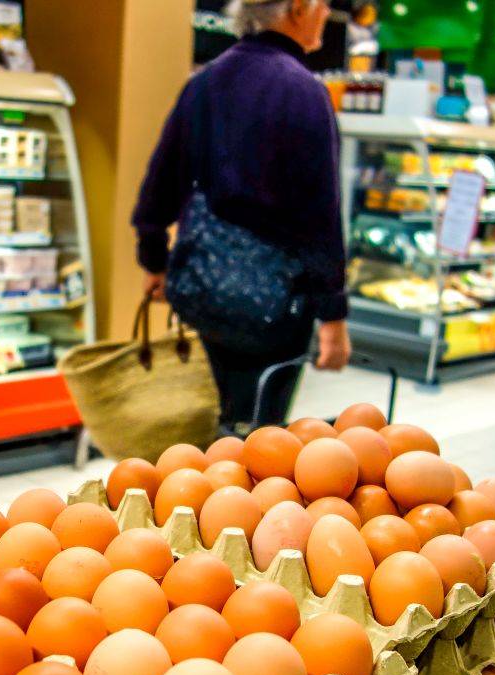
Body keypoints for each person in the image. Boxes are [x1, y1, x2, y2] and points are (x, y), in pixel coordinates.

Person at [133, 0, 351, 437]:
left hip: (205, 286)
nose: (326, 13)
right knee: (263, 436)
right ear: (297, 8)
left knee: (218, 415)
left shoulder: (206, 81)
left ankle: (208, 488)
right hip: (275, 302)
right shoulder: (304, 91)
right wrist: (333, 315)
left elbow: (163, 177)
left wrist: (154, 259)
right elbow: (319, 214)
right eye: (322, 5)